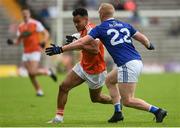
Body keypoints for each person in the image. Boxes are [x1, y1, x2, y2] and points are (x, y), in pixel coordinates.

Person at [45, 3, 168, 123]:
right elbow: (142, 38)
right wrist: (149, 45)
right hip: (134, 60)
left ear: (102, 14)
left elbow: (87, 45)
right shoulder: (124, 24)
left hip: (122, 65)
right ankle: (117, 112)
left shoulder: (100, 28)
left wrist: (61, 49)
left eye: (99, 12)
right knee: (109, 80)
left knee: (128, 100)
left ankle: (157, 111)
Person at [48, 8, 112, 123]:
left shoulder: (92, 29)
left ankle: (117, 101)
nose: (76, 25)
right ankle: (58, 117)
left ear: (86, 19)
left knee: (96, 98)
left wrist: (77, 43)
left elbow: (94, 49)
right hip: (83, 67)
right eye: (74, 22)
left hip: (96, 71)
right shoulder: (83, 30)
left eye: (78, 22)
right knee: (63, 87)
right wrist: (75, 39)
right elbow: (82, 41)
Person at [7, 7, 57, 96]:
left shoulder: (35, 23)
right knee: (30, 74)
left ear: (29, 14)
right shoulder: (21, 26)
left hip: (35, 50)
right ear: (22, 15)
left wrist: (44, 41)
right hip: (26, 52)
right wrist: (12, 42)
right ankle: (39, 91)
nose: (25, 15)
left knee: (33, 72)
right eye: (24, 13)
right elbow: (18, 41)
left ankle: (48, 71)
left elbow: (46, 33)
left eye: (26, 13)